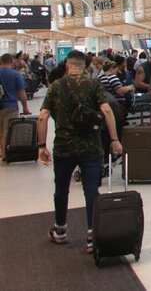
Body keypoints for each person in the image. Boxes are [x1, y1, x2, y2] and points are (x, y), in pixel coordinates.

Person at [37, 50, 122, 254]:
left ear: (67, 64)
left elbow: (42, 116)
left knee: (61, 189)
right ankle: (92, 236)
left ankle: (60, 230)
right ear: (85, 65)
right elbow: (107, 110)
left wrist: (41, 146)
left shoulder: (56, 86)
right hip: (91, 147)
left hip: (64, 147)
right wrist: (115, 140)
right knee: (91, 190)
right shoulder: (94, 84)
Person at [0, 54, 31, 160]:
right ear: (11, 61)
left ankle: (1, 152)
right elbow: (21, 93)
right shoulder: (15, 74)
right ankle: (4, 154)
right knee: (6, 131)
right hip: (11, 106)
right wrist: (25, 107)